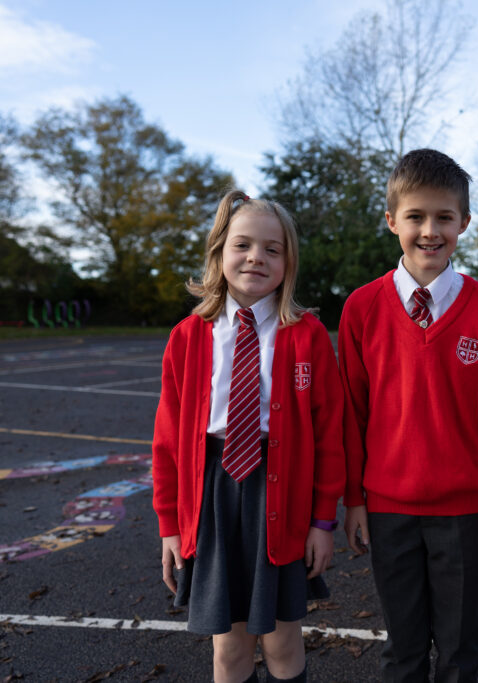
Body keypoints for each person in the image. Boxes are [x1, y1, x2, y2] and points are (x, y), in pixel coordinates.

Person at [337, 148, 478, 682]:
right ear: (392, 220)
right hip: (386, 506)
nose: (430, 231)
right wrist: (354, 499)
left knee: (460, 648)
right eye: (416, 216)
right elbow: (351, 413)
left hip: (461, 509)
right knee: (404, 648)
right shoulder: (362, 307)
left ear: (465, 222)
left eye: (444, 217)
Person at [152, 190, 345, 683]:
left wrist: (323, 521)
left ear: (288, 262)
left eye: (271, 249)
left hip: (281, 497)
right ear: (219, 252)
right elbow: (168, 443)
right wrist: (170, 525)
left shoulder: (307, 335)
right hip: (213, 499)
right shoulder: (187, 336)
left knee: (282, 642)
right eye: (242, 245)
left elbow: (329, 437)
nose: (256, 257)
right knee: (229, 650)